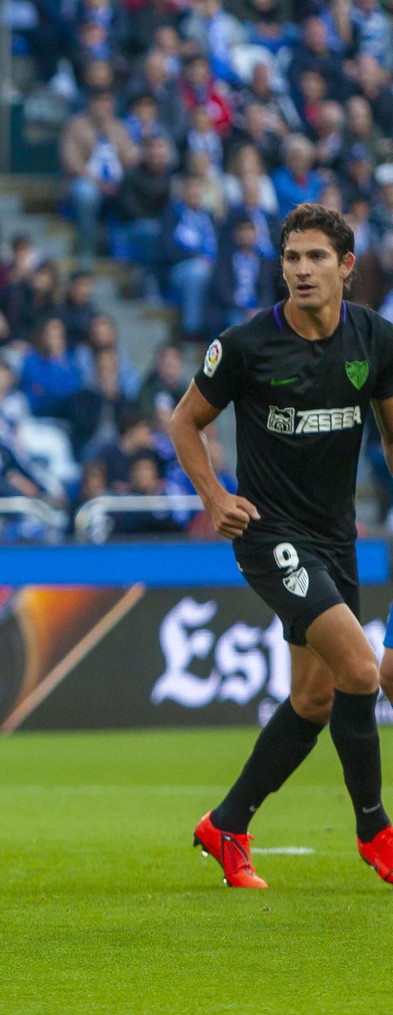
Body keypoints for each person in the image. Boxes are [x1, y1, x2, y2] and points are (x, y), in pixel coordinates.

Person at [172, 203, 393, 888]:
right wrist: (215, 496)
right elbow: (185, 423)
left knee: (315, 698)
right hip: (270, 537)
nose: (301, 269)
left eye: (316, 257)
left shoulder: (374, 341)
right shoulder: (245, 345)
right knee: (362, 670)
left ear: (347, 267)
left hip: (336, 538)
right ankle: (376, 832)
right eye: (292, 258)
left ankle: (227, 824)